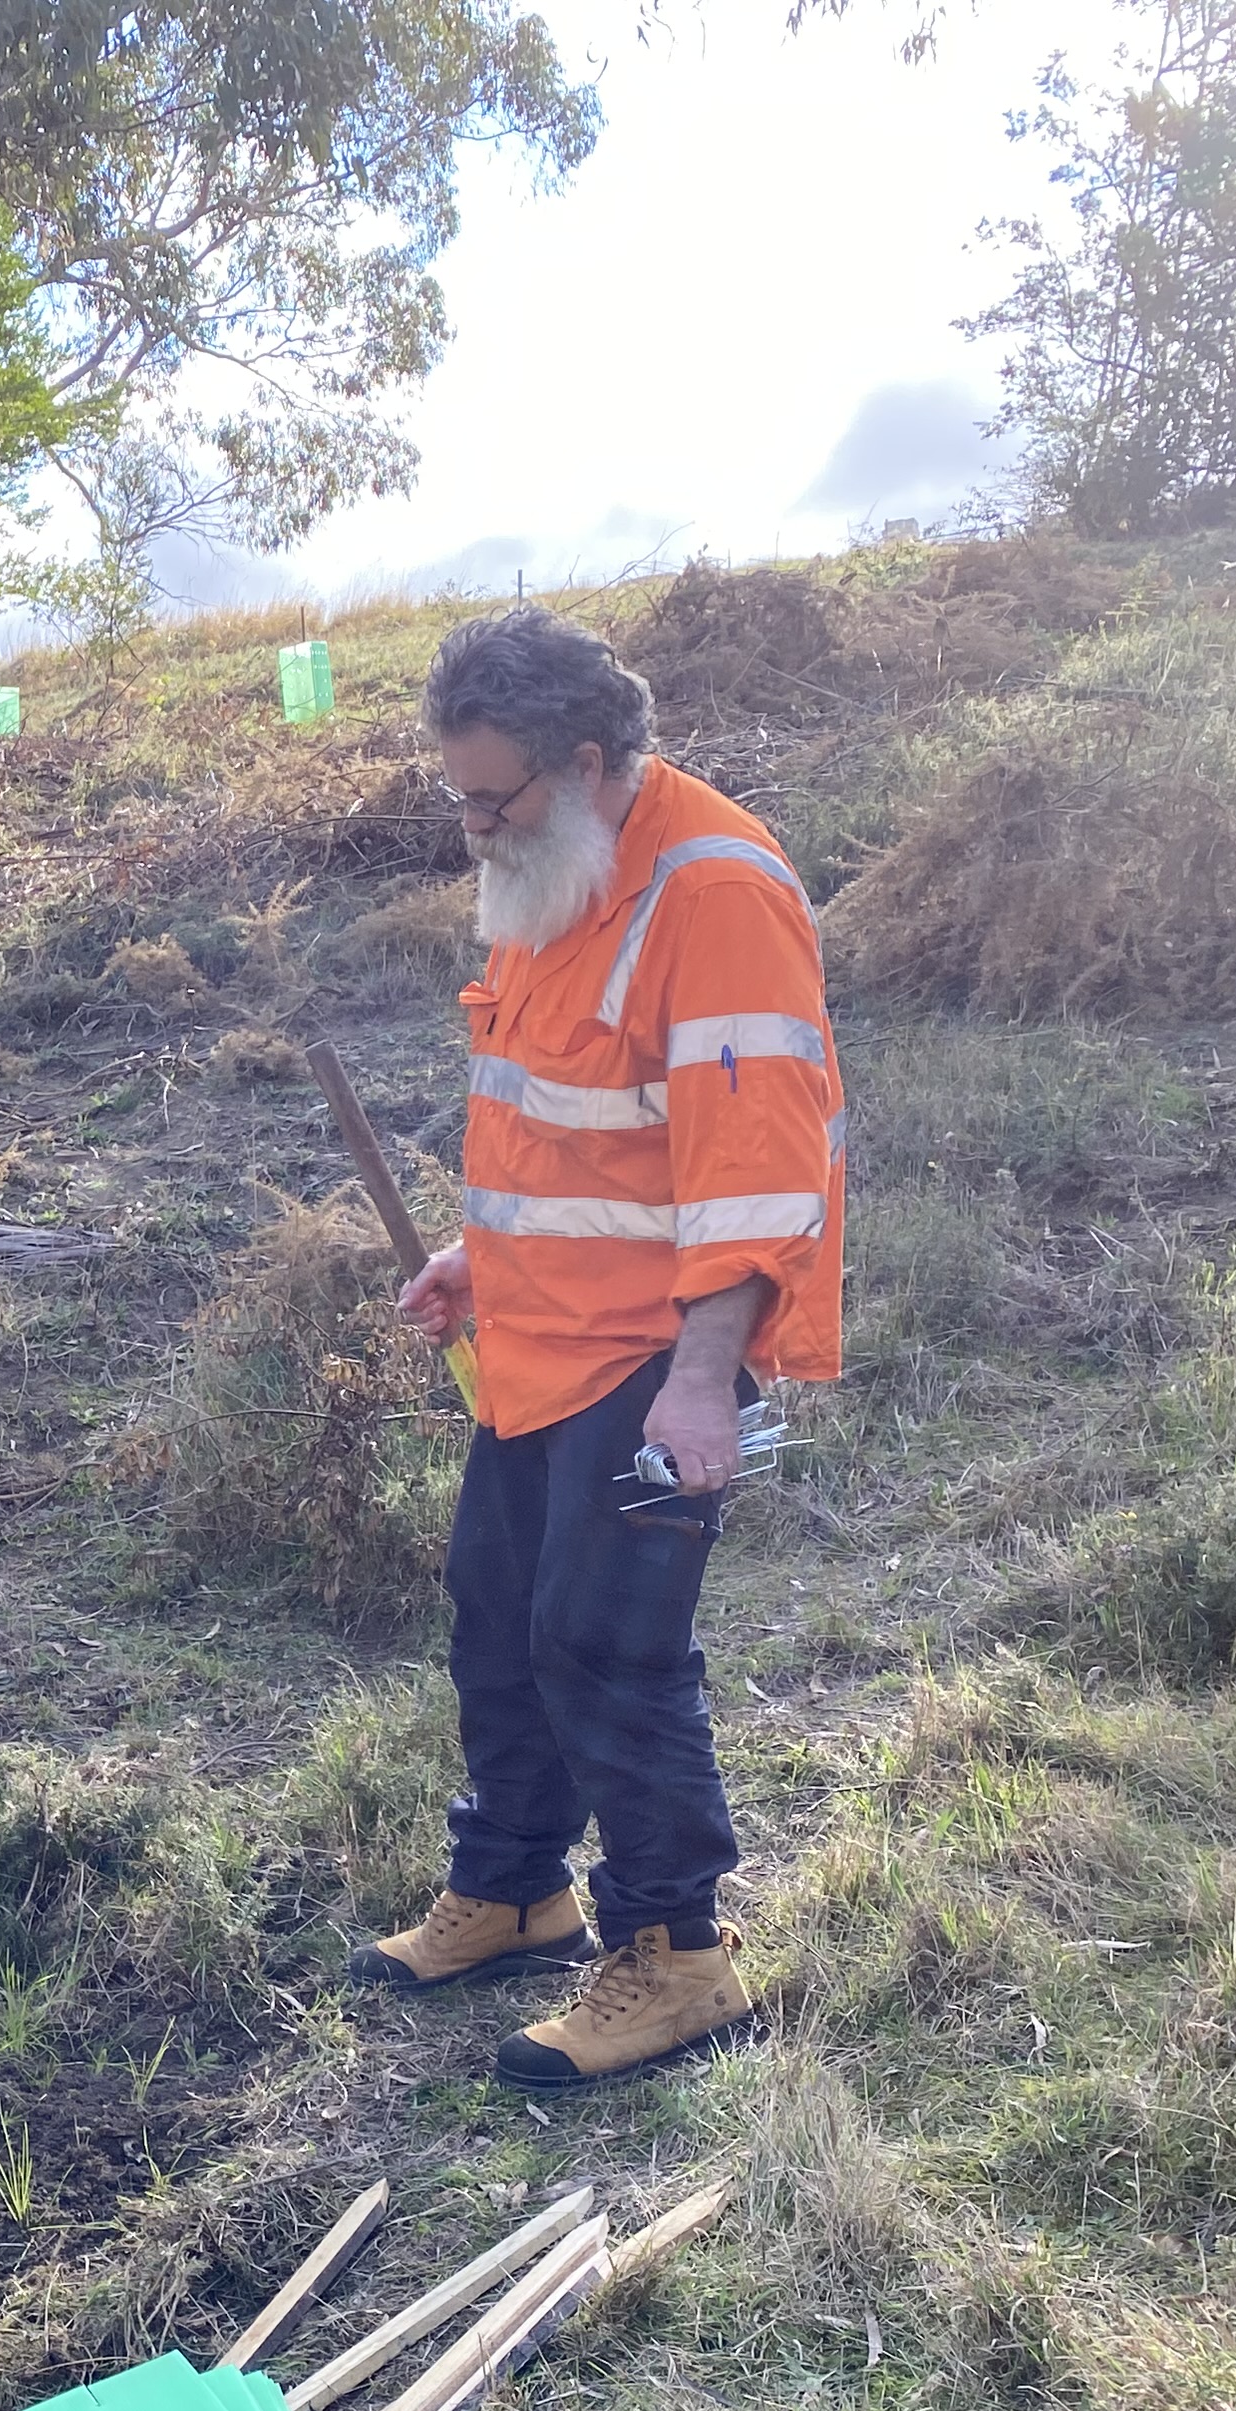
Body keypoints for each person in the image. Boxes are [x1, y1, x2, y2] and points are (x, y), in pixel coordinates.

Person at [358, 605, 844, 2088]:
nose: (471, 827)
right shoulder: (555, 869)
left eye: (489, 797)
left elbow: (758, 1171)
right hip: (539, 1339)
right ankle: (514, 1892)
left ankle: (674, 1954)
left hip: (661, 1348)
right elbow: (568, 1128)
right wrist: (479, 1258)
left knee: (607, 1642)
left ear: (586, 762)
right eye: (458, 795)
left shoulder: (714, 892)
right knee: (499, 1615)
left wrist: (706, 1383)